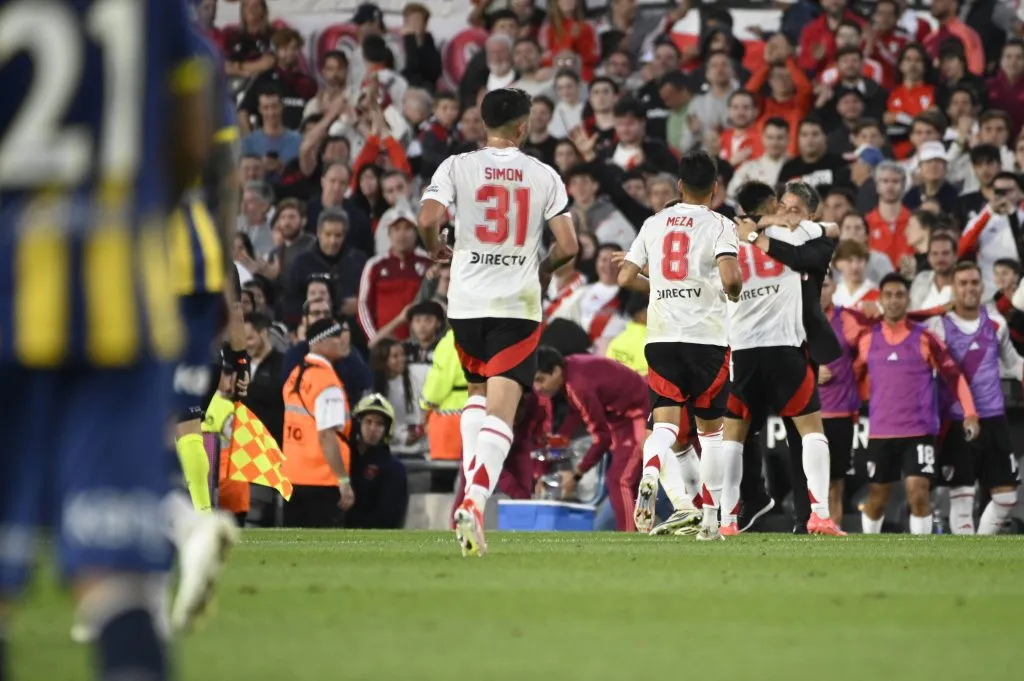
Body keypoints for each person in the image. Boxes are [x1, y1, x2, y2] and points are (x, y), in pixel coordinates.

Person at [0, 1, 216, 677]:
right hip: (120, 304)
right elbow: (193, 127)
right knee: (116, 576)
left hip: (6, 295)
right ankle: (180, 526)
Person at [418, 88, 578, 556]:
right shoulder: (544, 175)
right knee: (501, 412)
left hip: (465, 304)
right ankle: (473, 500)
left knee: (476, 393)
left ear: (481, 123)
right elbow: (568, 247)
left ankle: (471, 495)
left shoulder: (455, 166)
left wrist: (434, 247)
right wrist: (544, 270)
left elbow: (428, 217)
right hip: (515, 304)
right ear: (524, 127)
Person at [616, 150, 743, 540]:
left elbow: (624, 278)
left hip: (662, 337)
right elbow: (732, 279)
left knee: (666, 425)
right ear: (716, 188)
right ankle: (709, 521)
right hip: (706, 338)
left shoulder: (654, 223)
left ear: (679, 186)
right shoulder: (721, 224)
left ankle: (650, 473)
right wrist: (730, 293)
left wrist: (663, 285)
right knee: (711, 434)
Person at [726, 184, 846, 537]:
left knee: (733, 436)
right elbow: (834, 229)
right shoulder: (798, 232)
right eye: (783, 206)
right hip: (785, 347)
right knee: (810, 430)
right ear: (775, 204)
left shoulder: (730, 236)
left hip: (744, 350)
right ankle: (820, 515)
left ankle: (726, 520)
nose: (787, 212)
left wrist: (754, 227)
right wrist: (773, 223)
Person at [856, 274, 979, 535]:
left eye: (899, 294)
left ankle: (922, 554)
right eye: (888, 295)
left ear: (908, 298)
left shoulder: (926, 337)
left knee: (919, 494)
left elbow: (954, 376)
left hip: (919, 431)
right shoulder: (868, 339)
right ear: (880, 300)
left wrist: (970, 412)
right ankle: (868, 549)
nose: (893, 300)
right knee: (877, 500)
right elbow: (854, 379)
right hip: (881, 431)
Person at [918, 262, 1023, 534]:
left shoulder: (996, 324)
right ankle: (968, 556)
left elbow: (1013, 363)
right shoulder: (939, 326)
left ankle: (981, 546)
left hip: (995, 418)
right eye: (963, 283)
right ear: (953, 287)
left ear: (982, 286)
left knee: (1006, 497)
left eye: (974, 282)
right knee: (963, 497)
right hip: (957, 420)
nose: (969, 288)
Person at [532, 348, 646, 531]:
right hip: (622, 418)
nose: (538, 388)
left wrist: (577, 475)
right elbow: (572, 421)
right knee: (628, 479)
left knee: (620, 479)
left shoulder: (578, 386)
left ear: (556, 371)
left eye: (540, 380)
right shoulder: (569, 369)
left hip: (636, 415)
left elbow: (602, 438)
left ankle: (631, 536)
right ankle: (636, 530)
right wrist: (545, 464)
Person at [280, 319, 355, 528]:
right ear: (321, 342)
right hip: (322, 480)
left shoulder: (295, 375)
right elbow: (326, 435)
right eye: (337, 336)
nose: (343, 340)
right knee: (326, 555)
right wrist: (344, 481)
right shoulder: (326, 382)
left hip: (292, 477)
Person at [818, 273, 863, 525]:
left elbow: (869, 349)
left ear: (834, 287)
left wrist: (852, 374)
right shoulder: (799, 318)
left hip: (840, 412)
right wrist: (811, 372)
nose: (821, 291)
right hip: (807, 412)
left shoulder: (848, 319)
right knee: (809, 476)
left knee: (836, 478)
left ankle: (834, 526)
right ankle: (808, 525)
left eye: (825, 285)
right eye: (817, 285)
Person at [357, 207, 433, 346]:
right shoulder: (375, 265)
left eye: (407, 229)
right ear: (389, 234)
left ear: (416, 233)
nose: (402, 234)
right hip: (385, 345)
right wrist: (375, 339)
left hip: (421, 345)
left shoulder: (428, 263)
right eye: (397, 229)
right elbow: (363, 306)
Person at [344, 394, 410, 529]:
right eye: (368, 421)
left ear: (387, 430)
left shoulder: (393, 468)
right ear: (358, 423)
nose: (373, 428)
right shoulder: (343, 458)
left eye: (379, 423)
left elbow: (389, 516)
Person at [959, 172, 1024, 302]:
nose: (1003, 195)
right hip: (985, 293)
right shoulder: (980, 218)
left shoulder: (1022, 219)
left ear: (1019, 193)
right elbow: (962, 249)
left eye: (1008, 191)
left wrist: (1012, 216)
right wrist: (988, 213)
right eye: (998, 191)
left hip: (1016, 294)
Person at [727, 118, 790, 198]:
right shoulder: (749, 168)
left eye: (780, 138)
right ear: (763, 138)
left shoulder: (797, 167)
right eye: (770, 137)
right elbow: (731, 192)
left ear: (788, 139)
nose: (774, 142)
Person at [909, 233, 957, 310]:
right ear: (928, 257)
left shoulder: (968, 283)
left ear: (955, 256)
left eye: (945, 253)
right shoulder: (921, 279)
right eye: (935, 254)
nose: (940, 258)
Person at [831, 240, 880, 310]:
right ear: (838, 263)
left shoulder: (876, 292)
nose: (855, 266)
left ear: (866, 262)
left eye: (860, 260)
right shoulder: (832, 293)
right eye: (849, 261)